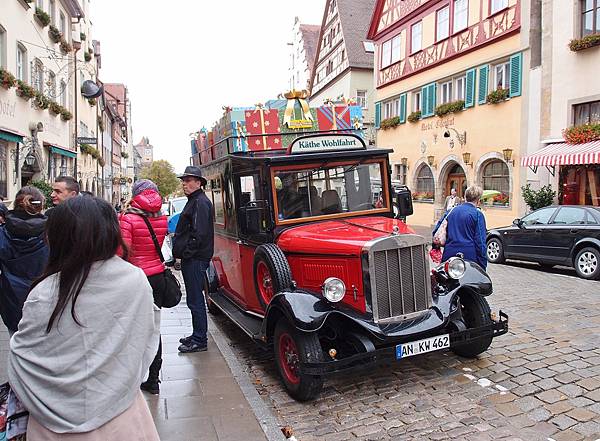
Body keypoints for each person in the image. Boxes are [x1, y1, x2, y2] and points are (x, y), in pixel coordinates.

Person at [8, 196, 160, 440]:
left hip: (53, 427)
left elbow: (23, 356)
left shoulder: (46, 292)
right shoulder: (134, 280)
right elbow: (144, 339)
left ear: (58, 238)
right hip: (123, 417)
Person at [119, 179, 168, 395]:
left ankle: (133, 376)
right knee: (154, 327)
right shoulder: (162, 217)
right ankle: (154, 378)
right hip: (157, 275)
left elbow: (123, 251)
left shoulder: (128, 218)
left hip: (136, 277)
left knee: (134, 327)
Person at [173, 165, 214, 353]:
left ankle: (200, 339)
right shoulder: (195, 200)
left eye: (188, 180)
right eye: (183, 180)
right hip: (194, 258)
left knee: (196, 300)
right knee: (194, 299)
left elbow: (199, 234)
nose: (184, 184)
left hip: (196, 259)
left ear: (198, 183)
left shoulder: (199, 202)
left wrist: (186, 254)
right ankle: (197, 334)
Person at [0, 187, 48, 335]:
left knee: (15, 340)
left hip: (10, 297)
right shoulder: (52, 233)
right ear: (41, 206)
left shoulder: (3, 232)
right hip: (44, 297)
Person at [441, 185, 488, 269]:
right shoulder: (477, 215)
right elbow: (480, 242)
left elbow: (439, 230)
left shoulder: (451, 211)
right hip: (467, 258)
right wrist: (482, 265)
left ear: (465, 197)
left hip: (449, 255)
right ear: (478, 200)